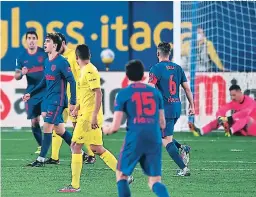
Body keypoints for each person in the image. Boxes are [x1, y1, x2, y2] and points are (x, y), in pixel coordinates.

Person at [58, 44, 133, 193]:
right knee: (96, 148)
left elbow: (98, 93)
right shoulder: (84, 70)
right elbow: (87, 94)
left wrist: (92, 116)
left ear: (77, 57)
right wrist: (77, 107)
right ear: (89, 55)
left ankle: (74, 185)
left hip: (89, 116)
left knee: (75, 145)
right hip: (86, 113)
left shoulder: (90, 70)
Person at [102, 60, 170, 197]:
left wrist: (106, 129)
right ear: (143, 75)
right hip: (154, 138)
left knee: (121, 176)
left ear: (127, 76)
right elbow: (162, 124)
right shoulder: (155, 94)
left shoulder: (123, 94)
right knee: (154, 181)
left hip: (135, 137)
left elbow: (115, 126)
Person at [23, 33, 76, 167]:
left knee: (47, 126)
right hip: (50, 99)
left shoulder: (62, 62)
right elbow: (44, 81)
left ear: (55, 45)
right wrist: (31, 93)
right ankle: (80, 152)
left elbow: (72, 81)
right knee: (60, 130)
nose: (44, 44)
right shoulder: (47, 61)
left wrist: (73, 102)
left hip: (58, 101)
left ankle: (40, 159)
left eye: (47, 41)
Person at [45, 33, 95, 165]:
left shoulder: (73, 55)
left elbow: (78, 77)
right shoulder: (57, 58)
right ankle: (54, 157)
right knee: (57, 126)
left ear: (62, 43)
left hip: (75, 98)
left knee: (78, 126)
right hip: (62, 97)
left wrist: (76, 99)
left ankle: (90, 154)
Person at [149, 42, 194, 176]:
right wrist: (192, 105)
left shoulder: (156, 69)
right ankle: (182, 148)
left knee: (165, 139)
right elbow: (186, 88)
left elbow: (151, 88)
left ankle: (183, 168)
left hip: (164, 109)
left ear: (158, 53)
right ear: (169, 54)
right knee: (158, 133)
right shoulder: (178, 68)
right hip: (176, 107)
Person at [15, 30, 48, 154]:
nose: (32, 40)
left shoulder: (43, 54)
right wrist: (21, 73)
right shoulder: (21, 57)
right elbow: (16, 76)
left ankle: (52, 144)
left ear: (37, 40)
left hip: (45, 90)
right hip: (31, 91)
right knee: (35, 121)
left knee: (46, 116)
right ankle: (41, 145)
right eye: (29, 38)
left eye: (34, 38)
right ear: (26, 40)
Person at [189, 84, 256, 137]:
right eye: (231, 95)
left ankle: (230, 131)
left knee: (247, 118)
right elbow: (222, 109)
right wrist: (219, 117)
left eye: (234, 95)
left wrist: (228, 118)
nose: (232, 97)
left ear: (239, 92)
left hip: (252, 129)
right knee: (221, 119)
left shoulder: (250, 101)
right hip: (241, 129)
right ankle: (200, 131)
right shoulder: (234, 102)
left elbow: (245, 113)